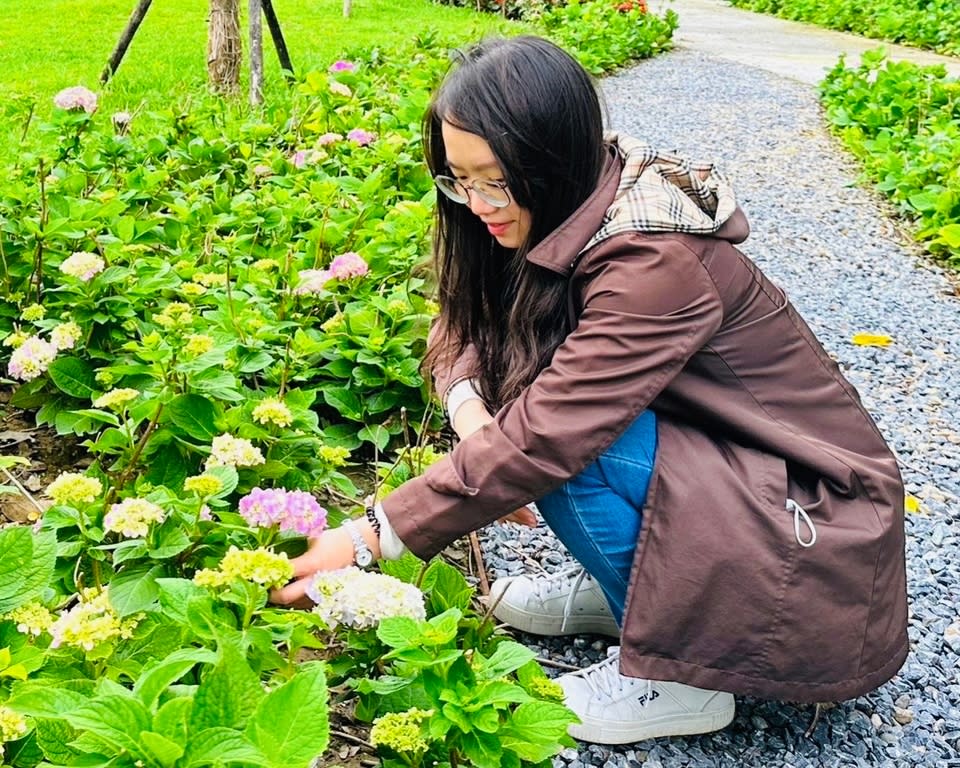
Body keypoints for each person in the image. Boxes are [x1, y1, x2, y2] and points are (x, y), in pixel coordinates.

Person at [271, 35, 909, 744]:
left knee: (570, 452)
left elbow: (553, 434)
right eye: (459, 179)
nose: (478, 203)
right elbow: (459, 319)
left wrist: (367, 537)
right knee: (528, 431)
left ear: (551, 159)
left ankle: (680, 680)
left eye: (495, 180)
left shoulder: (651, 258)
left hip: (818, 523)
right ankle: (643, 597)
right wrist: (473, 414)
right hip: (736, 475)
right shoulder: (552, 199)